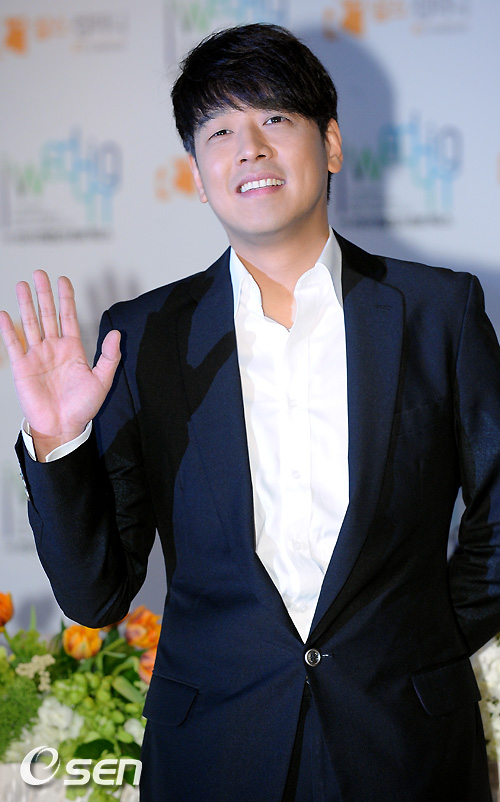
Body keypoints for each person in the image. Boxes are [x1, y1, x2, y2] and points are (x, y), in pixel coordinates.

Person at [1, 22, 500, 802]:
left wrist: (421, 637)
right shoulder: (145, 336)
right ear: (197, 176)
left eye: (275, 118)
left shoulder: (439, 311)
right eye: (221, 131)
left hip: (405, 747)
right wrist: (61, 442)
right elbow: (95, 596)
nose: (250, 149)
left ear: (330, 144)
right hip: (214, 754)